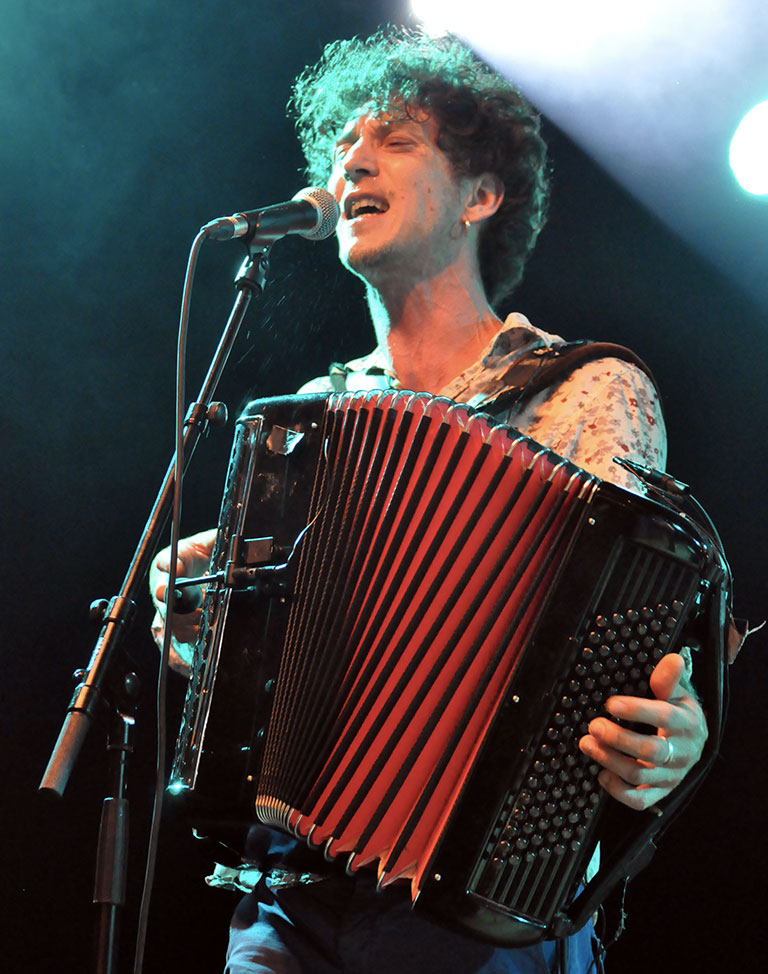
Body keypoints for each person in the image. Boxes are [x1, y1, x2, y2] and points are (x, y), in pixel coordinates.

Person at [150, 27, 708, 974]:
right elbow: (254, 682)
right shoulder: (314, 415)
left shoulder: (585, 390)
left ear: (480, 196)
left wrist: (672, 724)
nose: (352, 162)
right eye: (342, 146)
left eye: (396, 140)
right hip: (288, 898)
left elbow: (629, 640)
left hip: (473, 907)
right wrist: (200, 612)